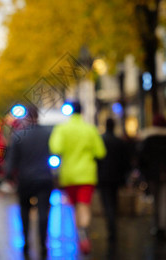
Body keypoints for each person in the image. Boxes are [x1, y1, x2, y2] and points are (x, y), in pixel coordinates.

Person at [49, 101, 106, 255]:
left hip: (69, 175)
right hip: (87, 174)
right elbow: (100, 152)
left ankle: (80, 233)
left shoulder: (62, 129)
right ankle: (83, 232)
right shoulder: (90, 129)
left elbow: (55, 148)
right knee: (84, 204)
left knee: (75, 206)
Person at [5, 106, 54, 258]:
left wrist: (8, 177)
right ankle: (43, 243)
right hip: (45, 178)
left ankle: (26, 242)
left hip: (25, 180)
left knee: (24, 211)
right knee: (43, 212)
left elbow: (11, 162)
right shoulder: (48, 133)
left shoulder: (19, 135)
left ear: (26, 117)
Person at [98, 118, 130, 244]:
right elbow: (125, 161)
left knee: (107, 203)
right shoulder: (119, 142)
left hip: (103, 177)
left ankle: (111, 227)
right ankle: (113, 227)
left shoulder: (101, 140)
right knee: (113, 202)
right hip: (116, 178)